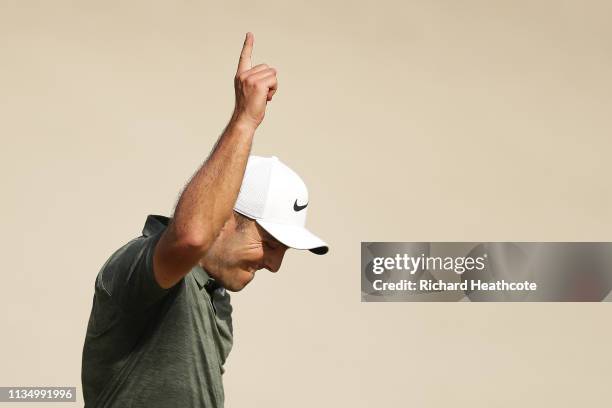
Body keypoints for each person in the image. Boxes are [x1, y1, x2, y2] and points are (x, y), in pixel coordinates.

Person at [81, 32, 328, 408]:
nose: (275, 265)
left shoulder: (216, 300)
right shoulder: (138, 271)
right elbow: (190, 239)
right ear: (224, 218)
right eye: (271, 244)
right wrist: (245, 120)